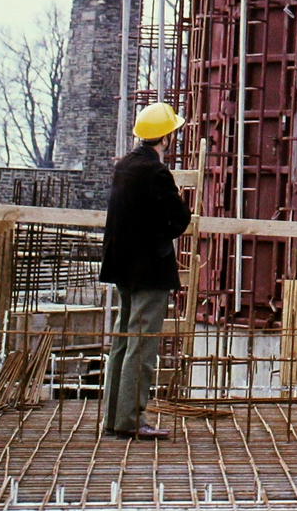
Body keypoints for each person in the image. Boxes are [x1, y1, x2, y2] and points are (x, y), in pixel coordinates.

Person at [100, 102, 191, 440]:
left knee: (122, 341)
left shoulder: (124, 166)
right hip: (149, 270)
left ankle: (114, 418)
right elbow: (179, 219)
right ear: (165, 137)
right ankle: (130, 420)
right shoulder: (156, 173)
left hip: (122, 267)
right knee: (142, 345)